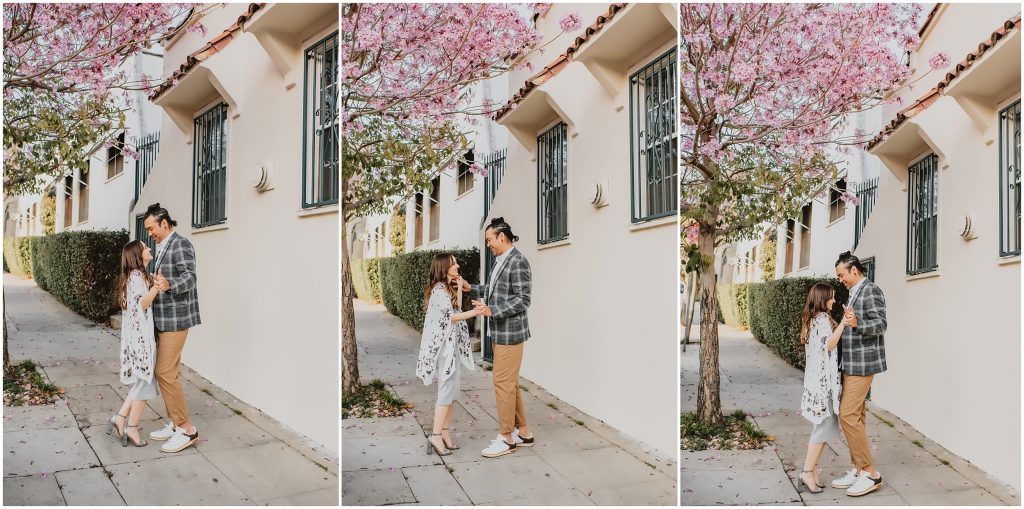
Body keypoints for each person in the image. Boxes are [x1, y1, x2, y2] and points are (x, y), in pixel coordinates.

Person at [461, 217, 533, 458]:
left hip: (510, 334)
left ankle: (506, 438)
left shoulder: (518, 261)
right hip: (498, 331)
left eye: (489, 240)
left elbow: (523, 299)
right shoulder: (500, 260)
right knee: (509, 383)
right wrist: (471, 288)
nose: (488, 244)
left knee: (502, 383)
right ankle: (524, 433)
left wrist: (493, 310)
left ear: (502, 237)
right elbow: (494, 290)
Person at [143, 203, 202, 453]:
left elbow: (190, 277)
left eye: (151, 228)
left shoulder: (180, 244)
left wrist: (169, 284)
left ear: (164, 223)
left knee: (165, 372)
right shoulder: (163, 246)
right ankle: (175, 424)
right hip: (163, 319)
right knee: (168, 373)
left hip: (176, 320)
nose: (149, 234)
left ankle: (186, 429)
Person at [831, 251, 887, 497]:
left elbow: (881, 324)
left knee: (847, 415)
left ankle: (871, 473)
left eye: (841, 275)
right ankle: (858, 470)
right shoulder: (853, 291)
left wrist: (858, 324)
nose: (840, 279)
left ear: (854, 270)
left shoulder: (871, 290)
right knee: (857, 416)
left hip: (863, 364)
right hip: (850, 363)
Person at [415, 254, 483, 455]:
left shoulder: (446, 288)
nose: (457, 265)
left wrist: (459, 286)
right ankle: (435, 435)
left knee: (452, 391)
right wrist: (476, 312)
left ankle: (444, 432)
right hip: (445, 347)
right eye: (453, 263)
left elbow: (457, 308)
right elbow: (451, 317)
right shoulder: (438, 290)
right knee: (446, 390)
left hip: (451, 345)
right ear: (444, 267)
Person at [109, 240, 164, 447]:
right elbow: (142, 303)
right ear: (137, 254)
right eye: (144, 247)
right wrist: (157, 287)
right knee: (145, 382)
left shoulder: (138, 275)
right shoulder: (135, 277)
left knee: (144, 382)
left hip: (140, 338)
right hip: (141, 340)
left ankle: (121, 418)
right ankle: (130, 426)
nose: (149, 248)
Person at [796, 283, 849, 493]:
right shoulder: (822, 319)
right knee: (824, 427)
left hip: (815, 382)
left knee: (824, 427)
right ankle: (807, 472)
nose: (834, 301)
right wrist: (843, 323)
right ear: (823, 298)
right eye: (832, 297)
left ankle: (813, 471)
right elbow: (829, 344)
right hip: (823, 384)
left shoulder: (811, 318)